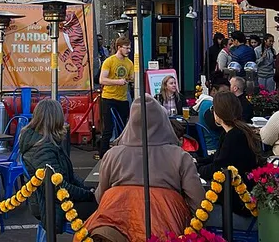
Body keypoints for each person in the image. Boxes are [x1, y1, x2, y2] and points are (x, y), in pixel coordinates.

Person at [85, 95, 205, 242]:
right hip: (164, 229)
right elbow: (198, 202)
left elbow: (100, 196)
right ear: (163, 121)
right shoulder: (180, 156)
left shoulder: (112, 155)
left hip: (114, 230)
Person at [19, 99, 97, 231]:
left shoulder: (43, 142)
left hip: (55, 200)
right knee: (104, 209)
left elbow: (67, 175)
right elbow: (59, 187)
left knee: (104, 202)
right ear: (56, 120)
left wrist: (87, 188)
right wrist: (88, 194)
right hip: (52, 207)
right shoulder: (43, 150)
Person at [197, 91, 264, 232]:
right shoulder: (236, 132)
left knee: (193, 207)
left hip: (238, 204)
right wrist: (197, 161)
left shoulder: (234, 137)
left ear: (219, 113)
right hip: (240, 196)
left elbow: (218, 168)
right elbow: (217, 158)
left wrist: (196, 169)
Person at [98, 36, 134, 158]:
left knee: (122, 128)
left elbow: (131, 77)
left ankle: (121, 154)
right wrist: (117, 82)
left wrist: (133, 79)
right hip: (108, 98)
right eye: (126, 48)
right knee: (108, 128)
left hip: (122, 99)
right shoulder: (109, 61)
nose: (128, 50)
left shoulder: (129, 63)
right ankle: (103, 155)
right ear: (119, 47)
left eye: (129, 48)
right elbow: (102, 80)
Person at [199, 77, 230, 152]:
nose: (225, 96)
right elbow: (214, 125)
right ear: (213, 90)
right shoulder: (209, 105)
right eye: (222, 92)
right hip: (214, 146)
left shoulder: (206, 102)